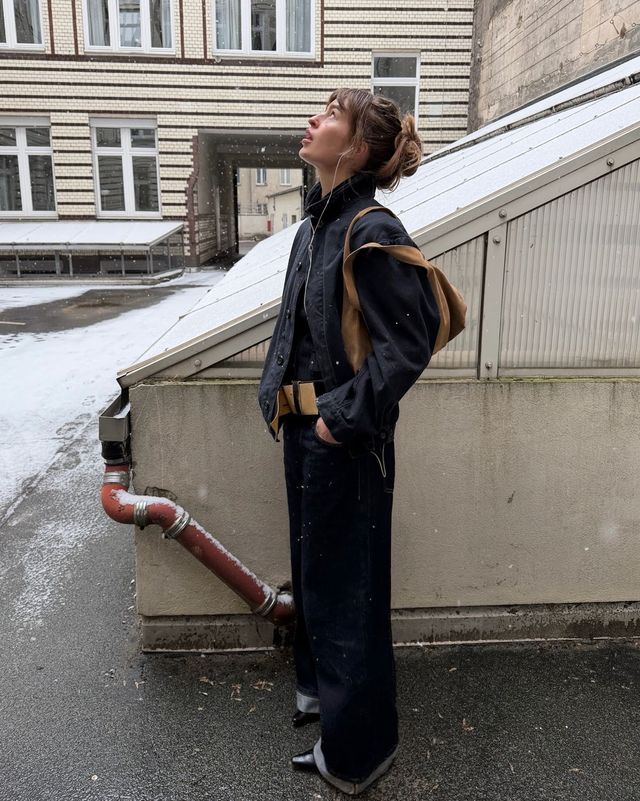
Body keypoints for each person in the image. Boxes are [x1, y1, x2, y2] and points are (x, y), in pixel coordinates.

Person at [258, 88, 442, 795]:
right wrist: (285, 408)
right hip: (307, 435)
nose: (312, 119)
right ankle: (324, 704)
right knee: (317, 576)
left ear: (358, 148)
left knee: (348, 591)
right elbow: (299, 330)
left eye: (331, 115)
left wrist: (339, 420)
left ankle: (360, 752)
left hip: (343, 440)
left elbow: (409, 342)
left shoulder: (370, 227)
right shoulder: (316, 226)